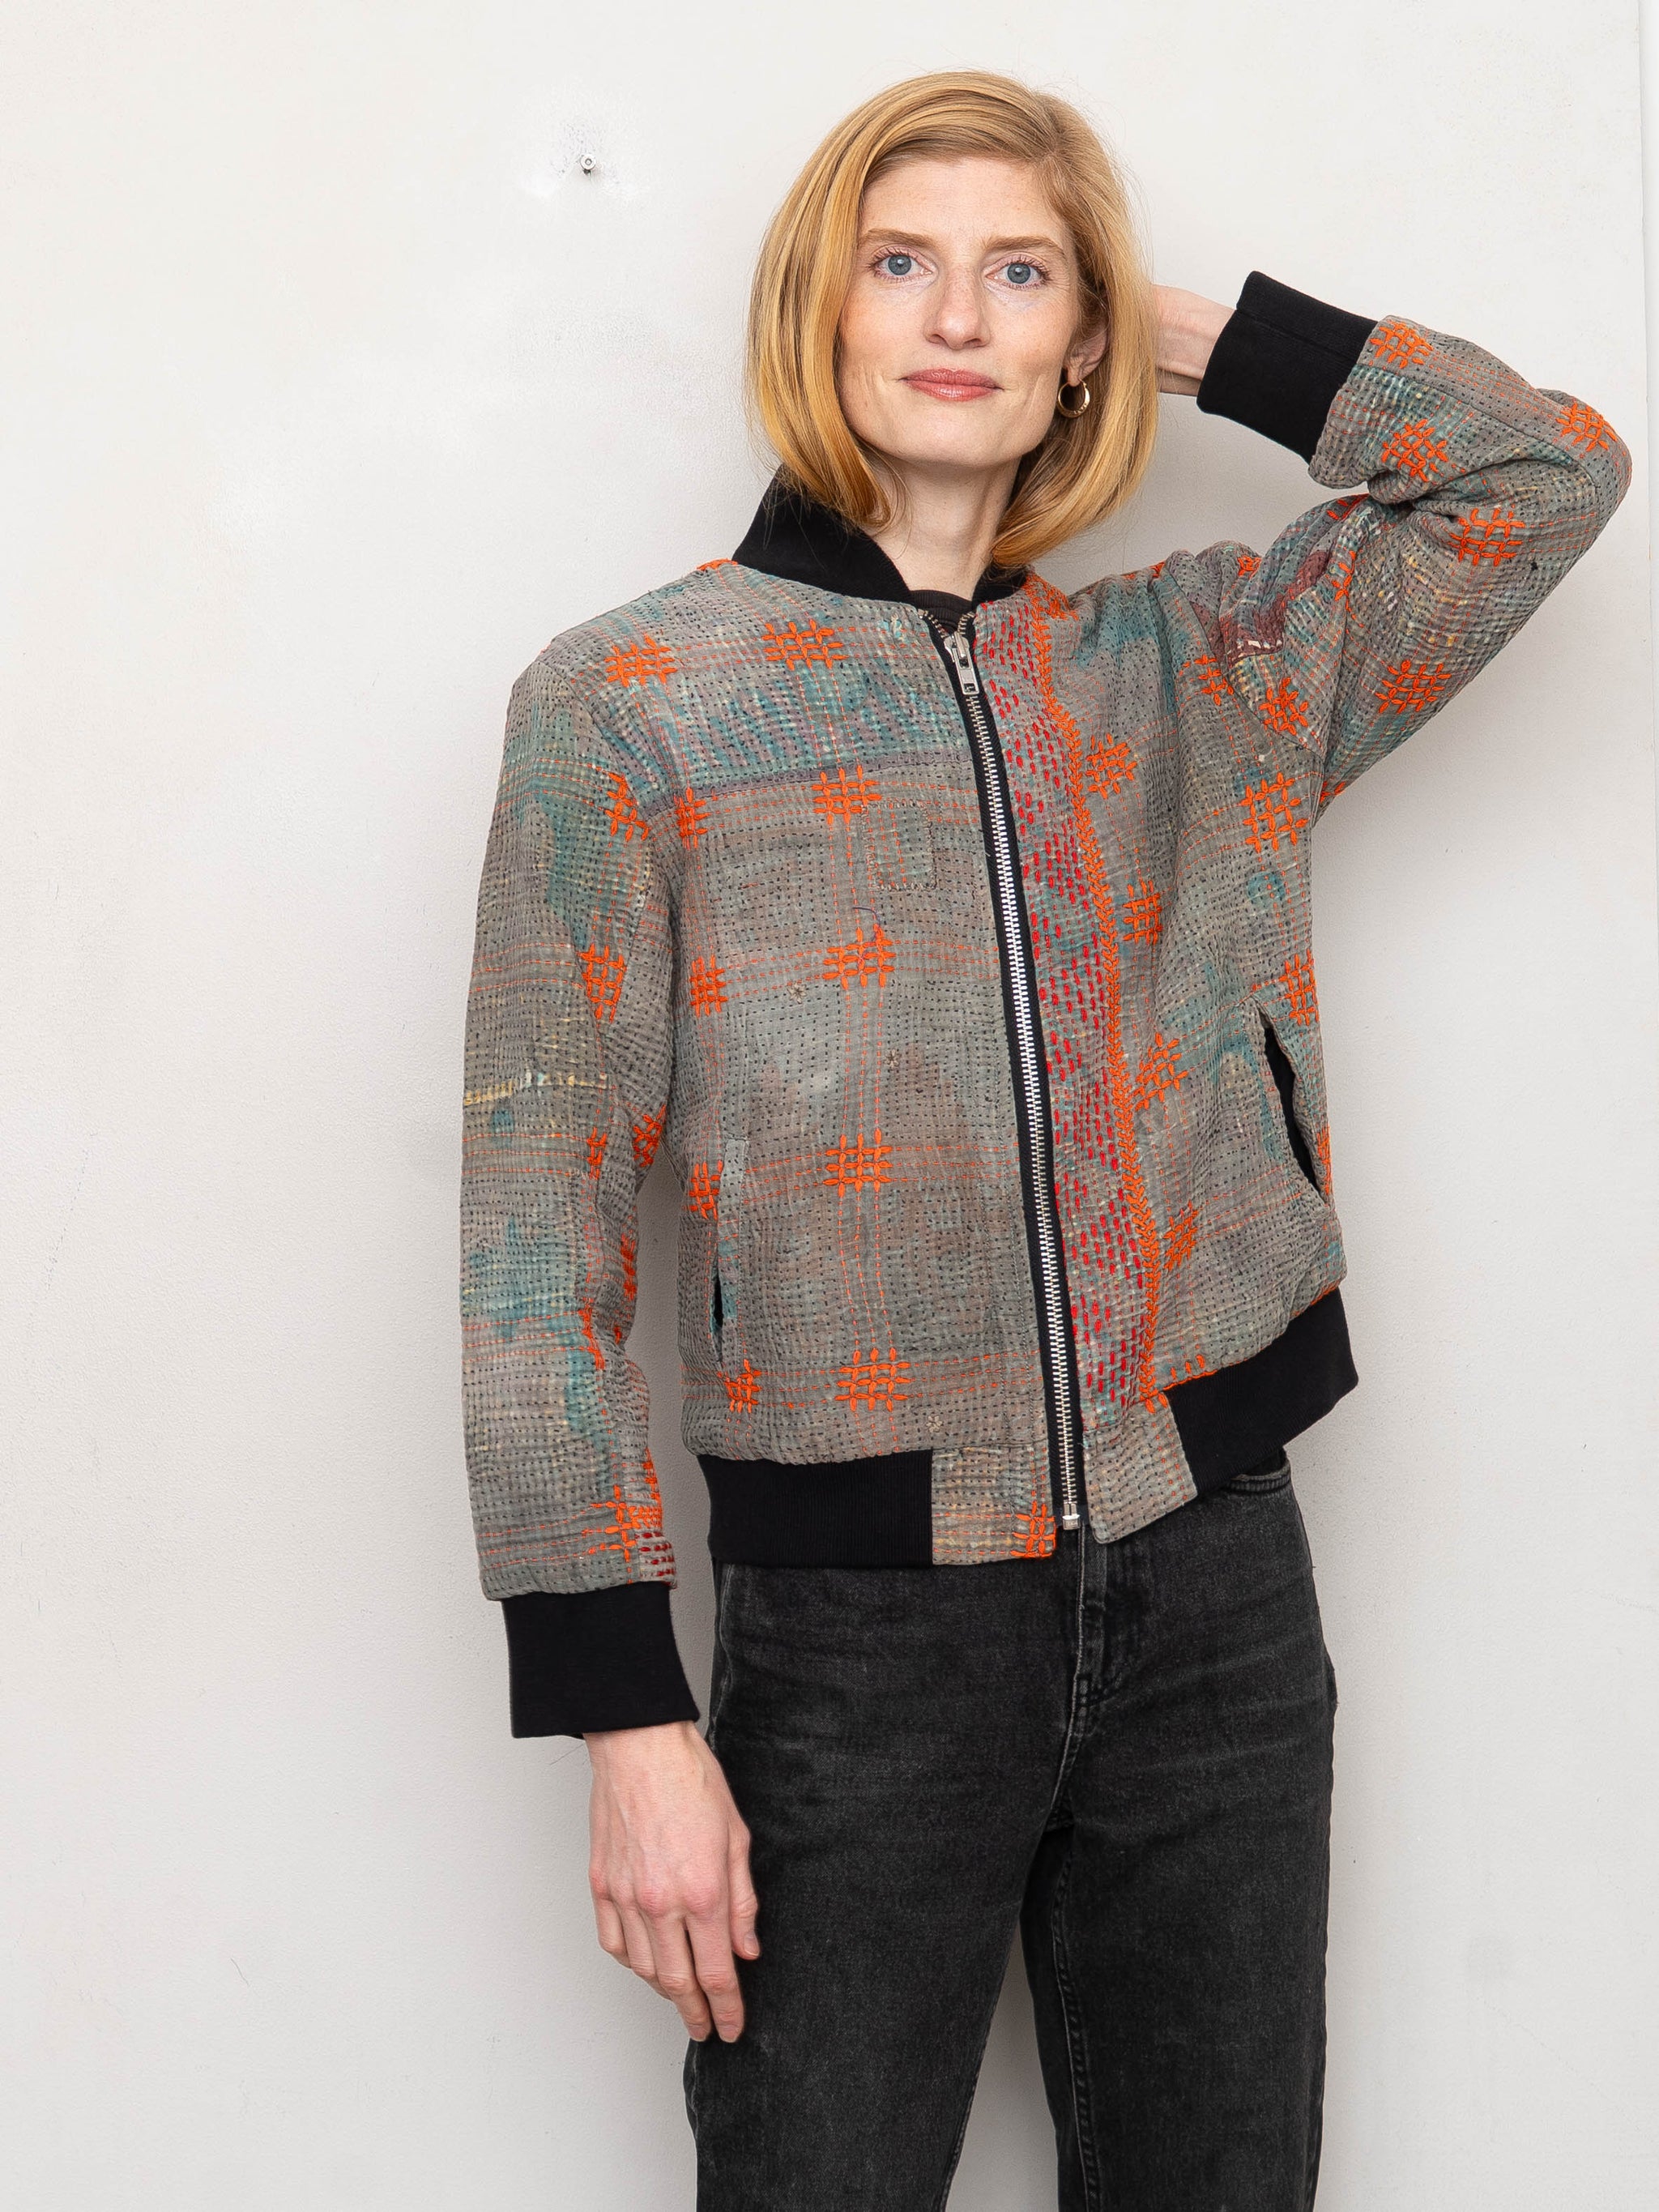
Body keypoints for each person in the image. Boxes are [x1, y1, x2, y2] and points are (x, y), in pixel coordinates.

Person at [459, 68, 1628, 2212]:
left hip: (1217, 1593)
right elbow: (536, 1234)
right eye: (898, 263)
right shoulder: (629, 706)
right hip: (859, 1650)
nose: (954, 317)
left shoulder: (1201, 665)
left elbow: (1541, 473)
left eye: (1018, 276)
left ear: (1082, 334)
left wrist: (1164, 322)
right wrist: (625, 1717)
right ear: (816, 307)